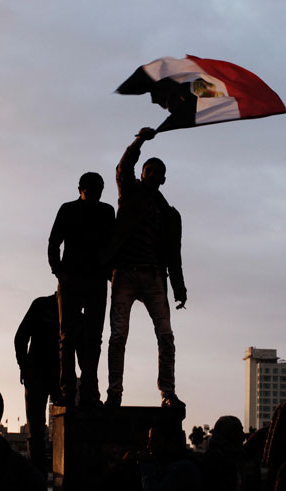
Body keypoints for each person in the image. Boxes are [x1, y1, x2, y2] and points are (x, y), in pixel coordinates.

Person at [103, 127, 187, 410]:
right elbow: (122, 167)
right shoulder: (129, 193)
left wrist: (179, 288)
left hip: (153, 277)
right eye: (147, 170)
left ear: (163, 179)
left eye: (156, 172)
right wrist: (139, 141)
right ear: (142, 174)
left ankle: (168, 392)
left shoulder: (169, 215)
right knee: (118, 336)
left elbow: (174, 255)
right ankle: (114, 392)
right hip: (124, 273)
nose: (151, 175)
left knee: (166, 336)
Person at [48, 172, 115, 407]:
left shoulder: (107, 211)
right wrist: (59, 271)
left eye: (99, 189)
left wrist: (108, 272)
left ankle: (88, 391)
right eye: (91, 189)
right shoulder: (68, 209)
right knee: (68, 337)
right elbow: (54, 241)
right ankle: (69, 390)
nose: (95, 193)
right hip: (73, 279)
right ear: (80, 189)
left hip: (95, 280)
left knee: (92, 339)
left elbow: (111, 243)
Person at [14, 293, 59, 472]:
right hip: (37, 373)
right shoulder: (42, 305)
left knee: (51, 429)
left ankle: (55, 475)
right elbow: (21, 337)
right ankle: (37, 478)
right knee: (36, 431)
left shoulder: (74, 310)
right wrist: (24, 366)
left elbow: (80, 347)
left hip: (59, 376)